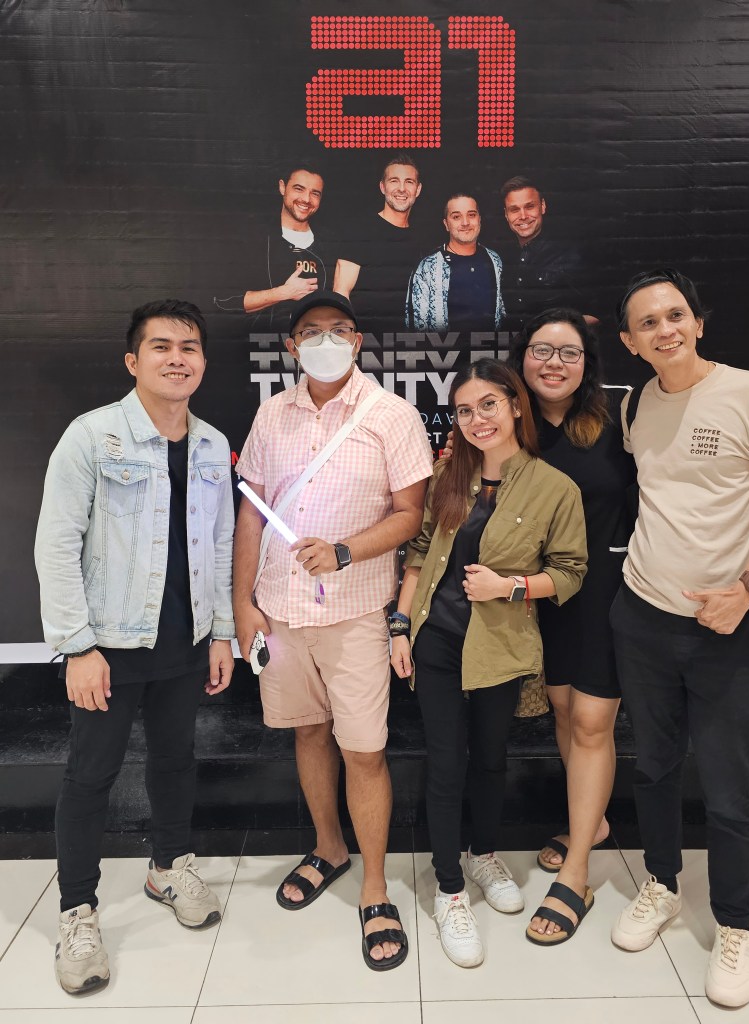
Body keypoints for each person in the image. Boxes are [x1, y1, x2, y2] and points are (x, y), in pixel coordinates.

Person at [608, 268, 749, 1008]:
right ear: (630, 342)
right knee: (655, 767)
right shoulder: (635, 404)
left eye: (676, 315)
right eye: (648, 323)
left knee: (730, 787)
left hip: (728, 625)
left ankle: (735, 925)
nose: (665, 330)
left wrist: (748, 590)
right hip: (643, 615)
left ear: (697, 322)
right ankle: (661, 884)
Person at [34, 299, 236, 995]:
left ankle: (168, 867)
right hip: (110, 644)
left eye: (190, 347)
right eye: (161, 346)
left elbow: (220, 543)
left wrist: (222, 633)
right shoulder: (92, 437)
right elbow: (55, 544)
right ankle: (78, 911)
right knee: (91, 775)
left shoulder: (211, 444)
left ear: (203, 361)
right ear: (133, 361)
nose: (178, 358)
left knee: (176, 761)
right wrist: (77, 647)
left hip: (186, 639)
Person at [233, 289, 432, 971]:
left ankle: (375, 888)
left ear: (357, 340)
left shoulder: (392, 415)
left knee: (364, 751)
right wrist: (242, 604)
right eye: (311, 331)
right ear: (291, 347)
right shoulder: (272, 414)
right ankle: (328, 847)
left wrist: (346, 551)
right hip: (281, 611)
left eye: (338, 329)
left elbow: (410, 514)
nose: (325, 340)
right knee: (308, 733)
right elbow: (252, 512)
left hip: (356, 614)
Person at [390, 358, 587, 967]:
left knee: (492, 758)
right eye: (465, 410)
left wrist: (511, 587)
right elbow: (419, 551)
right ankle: (449, 888)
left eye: (489, 405)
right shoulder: (448, 474)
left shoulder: (555, 487)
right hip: (437, 639)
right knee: (447, 762)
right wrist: (400, 626)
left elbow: (570, 572)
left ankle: (483, 854)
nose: (477, 419)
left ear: (516, 406)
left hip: (501, 645)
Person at [504, 309, 637, 946]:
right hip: (538, 596)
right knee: (562, 710)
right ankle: (594, 823)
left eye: (569, 352)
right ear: (521, 358)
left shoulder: (620, 422)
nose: (554, 363)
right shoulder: (508, 426)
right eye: (542, 350)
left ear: (588, 363)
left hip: (606, 593)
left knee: (591, 721)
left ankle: (578, 871)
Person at [213, 164, 332, 329]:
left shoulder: (329, 245)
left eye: (315, 193)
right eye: (299, 189)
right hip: (262, 342)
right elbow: (223, 301)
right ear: (282, 187)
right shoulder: (253, 238)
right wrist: (284, 292)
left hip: (312, 342)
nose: (306, 199)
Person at [332, 152, 427, 331]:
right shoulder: (359, 230)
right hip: (366, 340)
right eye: (394, 181)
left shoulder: (421, 238)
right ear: (382, 187)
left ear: (418, 189)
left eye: (409, 182)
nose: (401, 189)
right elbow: (341, 293)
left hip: (407, 342)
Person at [498, 176, 590, 331]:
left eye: (530, 206)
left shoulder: (569, 254)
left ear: (543, 206)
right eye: (514, 209)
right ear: (506, 214)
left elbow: (599, 313)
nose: (523, 216)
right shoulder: (503, 258)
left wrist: (556, 334)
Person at [406, 193, 504, 333]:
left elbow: (502, 314)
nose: (465, 222)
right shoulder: (428, 267)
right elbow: (415, 327)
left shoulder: (494, 260)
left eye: (471, 215)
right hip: (443, 347)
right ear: (446, 224)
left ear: (479, 219)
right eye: (456, 217)